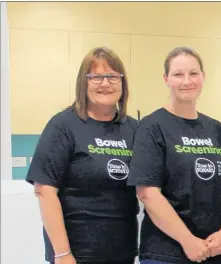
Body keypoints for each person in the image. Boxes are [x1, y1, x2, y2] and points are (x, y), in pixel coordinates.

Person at [26, 47, 139, 264]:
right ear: (83, 83)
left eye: (113, 76)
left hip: (122, 251)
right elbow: (45, 191)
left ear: (122, 84)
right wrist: (62, 253)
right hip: (76, 253)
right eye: (96, 76)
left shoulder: (134, 129)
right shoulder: (63, 126)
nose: (105, 83)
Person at [127, 47, 221, 264]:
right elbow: (148, 193)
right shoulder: (152, 127)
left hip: (216, 251)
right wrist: (188, 241)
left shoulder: (217, 129)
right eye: (178, 74)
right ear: (166, 79)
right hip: (167, 252)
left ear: (203, 77)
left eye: (194, 73)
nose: (187, 81)